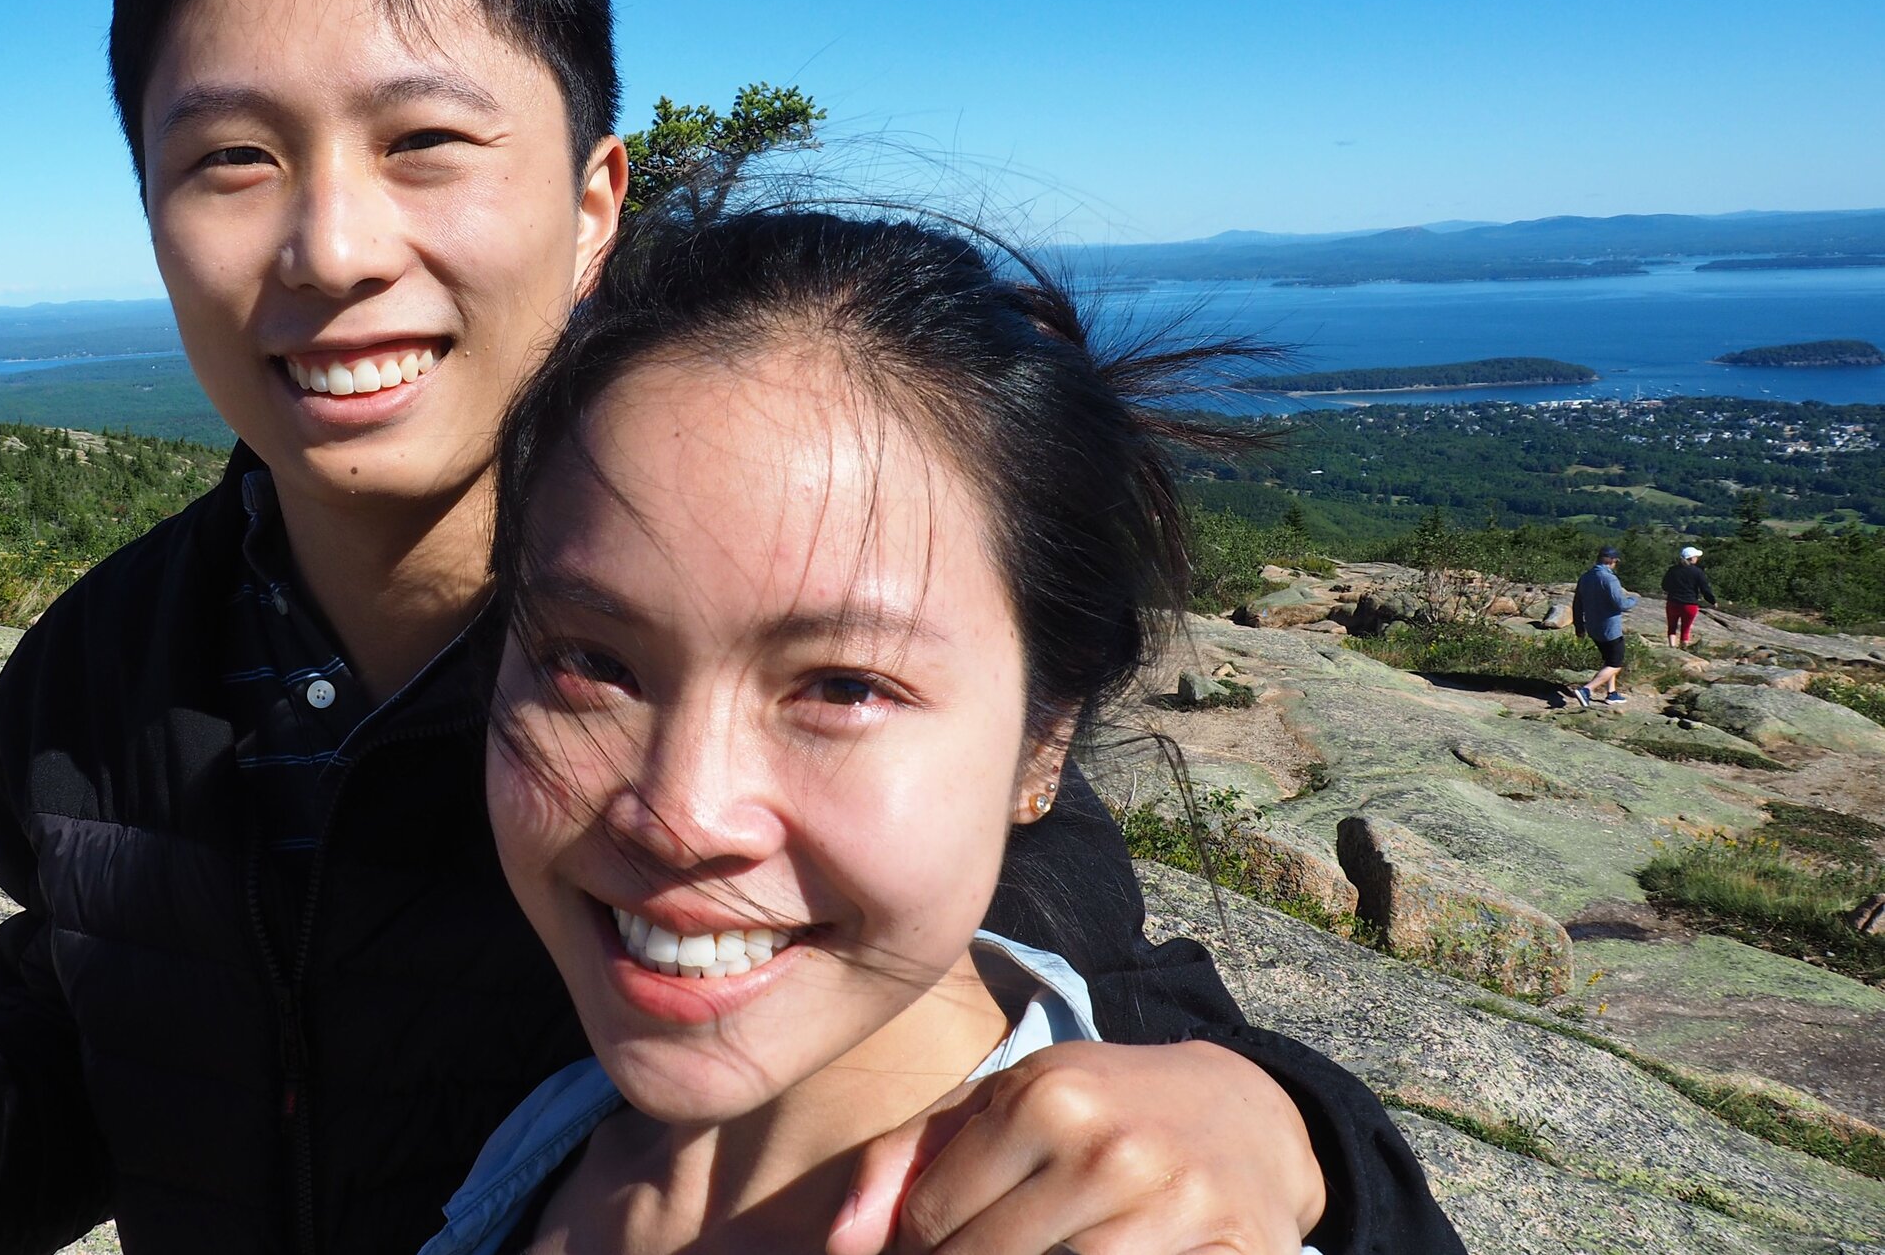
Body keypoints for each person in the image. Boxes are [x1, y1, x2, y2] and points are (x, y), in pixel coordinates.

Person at [0, 0, 1458, 1252]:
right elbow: (91, 1065)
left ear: (590, 205)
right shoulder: (102, 671)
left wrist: (1285, 1127)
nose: (327, 247)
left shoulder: (729, 681)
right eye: (229, 159)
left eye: (424, 141)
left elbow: (1037, 995)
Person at [426, 207, 1453, 1253]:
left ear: (1043, 740)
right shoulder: (548, 1131)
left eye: (843, 685)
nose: (680, 816)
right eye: (591, 662)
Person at [1572, 546, 1639, 707]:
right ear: (1613, 561)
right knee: (1615, 663)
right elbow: (1620, 603)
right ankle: (1587, 690)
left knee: (1609, 660)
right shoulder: (1609, 579)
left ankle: (1612, 693)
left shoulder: (1586, 577)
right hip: (1610, 628)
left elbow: (1577, 604)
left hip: (1593, 627)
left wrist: (1579, 626)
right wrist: (1633, 600)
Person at [1662, 545, 1716, 649]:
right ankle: (1684, 647)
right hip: (1690, 605)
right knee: (1686, 627)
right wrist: (1712, 601)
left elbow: (1665, 586)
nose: (1697, 558)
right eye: (1696, 556)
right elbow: (1705, 589)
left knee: (1672, 627)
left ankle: (1672, 647)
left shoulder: (1672, 570)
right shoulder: (1698, 572)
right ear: (1691, 558)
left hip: (1673, 602)